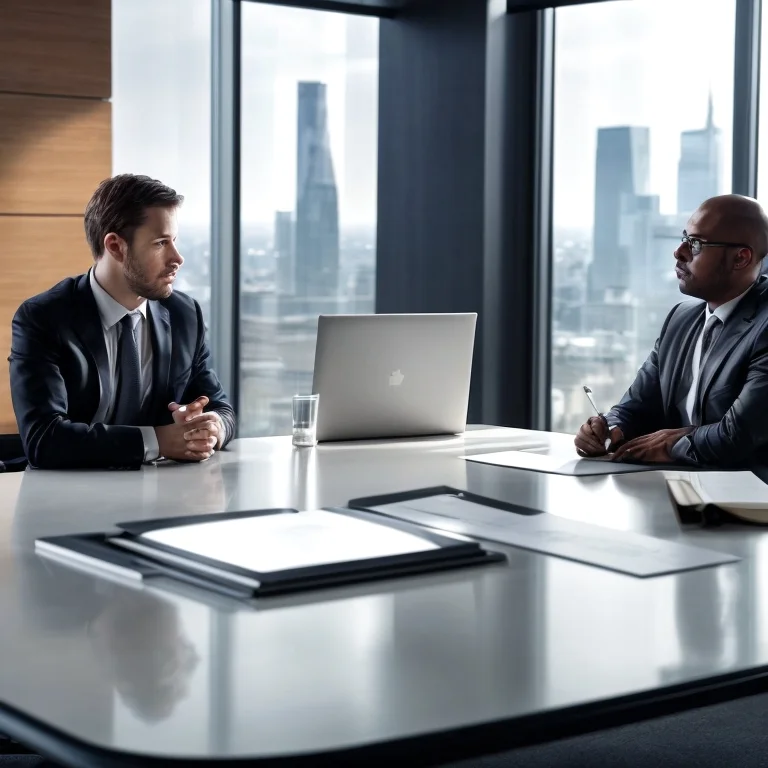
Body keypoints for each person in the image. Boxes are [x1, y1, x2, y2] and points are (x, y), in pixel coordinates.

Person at [9, 174, 235, 469]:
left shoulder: (184, 315)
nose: (177, 257)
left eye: (174, 241)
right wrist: (160, 440)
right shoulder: (44, 319)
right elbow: (44, 439)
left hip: (162, 495)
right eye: (160, 243)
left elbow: (221, 408)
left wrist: (212, 428)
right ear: (115, 246)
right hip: (66, 500)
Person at [574, 194, 768, 468]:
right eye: (684, 238)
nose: (679, 252)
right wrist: (608, 429)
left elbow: (738, 435)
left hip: (746, 500)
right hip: (669, 487)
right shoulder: (680, 319)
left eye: (696, 244)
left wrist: (670, 443)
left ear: (741, 258)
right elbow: (636, 407)